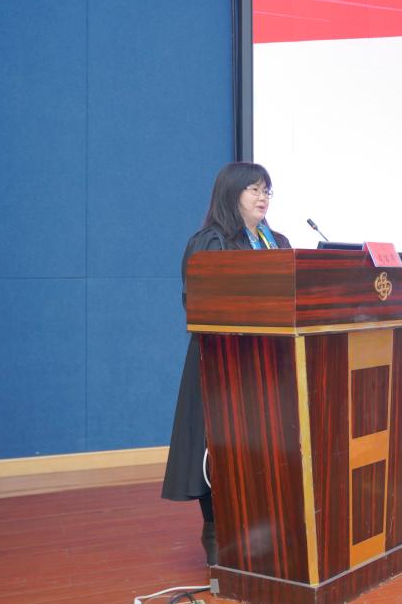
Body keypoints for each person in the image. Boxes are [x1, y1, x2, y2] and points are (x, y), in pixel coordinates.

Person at [161, 162, 290, 565]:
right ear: (231, 193)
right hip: (223, 363)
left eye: (267, 190)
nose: (263, 197)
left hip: (271, 364)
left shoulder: (278, 242)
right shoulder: (210, 243)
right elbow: (198, 302)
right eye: (254, 189)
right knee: (217, 450)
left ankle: (264, 529)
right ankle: (216, 532)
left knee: (263, 449)